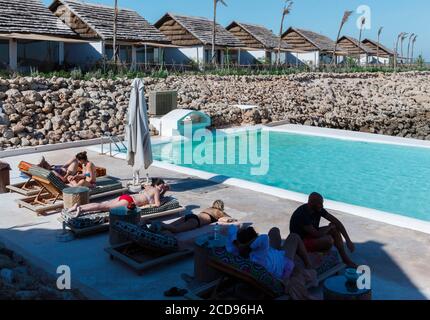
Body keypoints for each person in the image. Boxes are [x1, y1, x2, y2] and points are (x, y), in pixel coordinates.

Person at [226, 225, 317, 299]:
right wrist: (246, 245)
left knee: (274, 230)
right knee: (294, 236)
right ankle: (309, 264)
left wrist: (239, 244)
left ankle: (281, 248)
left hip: (269, 255)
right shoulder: (258, 257)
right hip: (284, 263)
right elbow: (264, 238)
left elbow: (232, 228)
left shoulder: (236, 250)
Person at [289, 192, 357, 268]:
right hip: (301, 242)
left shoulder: (318, 209)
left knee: (334, 229)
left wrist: (348, 240)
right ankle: (319, 253)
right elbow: (316, 234)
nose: (322, 206)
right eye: (320, 203)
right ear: (311, 203)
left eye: (322, 203)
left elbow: (336, 222)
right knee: (329, 240)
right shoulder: (302, 214)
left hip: (310, 235)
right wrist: (329, 227)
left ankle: (346, 260)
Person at [66, 178, 169, 217]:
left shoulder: (149, 187)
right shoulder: (155, 190)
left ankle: (79, 206)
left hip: (127, 197)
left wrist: (163, 190)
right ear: (157, 185)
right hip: (129, 201)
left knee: (103, 205)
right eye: (161, 185)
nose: (162, 187)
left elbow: (152, 195)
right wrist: (163, 191)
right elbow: (158, 204)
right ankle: (81, 209)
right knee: (103, 207)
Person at [156, 200, 236, 233]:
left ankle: (157, 227)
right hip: (195, 221)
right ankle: (158, 223)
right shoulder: (219, 212)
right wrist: (232, 219)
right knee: (176, 230)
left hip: (190, 216)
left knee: (170, 226)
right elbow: (227, 218)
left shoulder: (209, 208)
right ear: (221, 207)